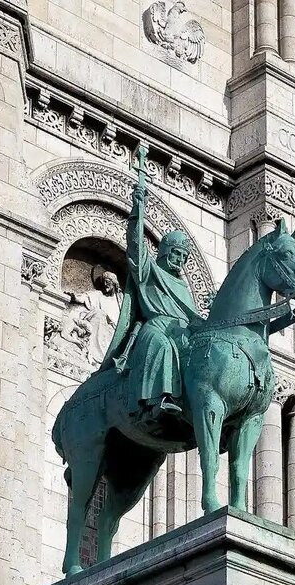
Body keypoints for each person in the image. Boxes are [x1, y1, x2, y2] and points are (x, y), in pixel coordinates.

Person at [99, 149, 202, 422]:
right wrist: (138, 208)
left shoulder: (183, 287)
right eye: (176, 254)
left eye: (184, 256)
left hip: (181, 332)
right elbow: (135, 246)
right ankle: (159, 400)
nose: (180, 260)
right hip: (155, 328)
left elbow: (191, 318)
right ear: (166, 252)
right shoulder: (149, 271)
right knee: (163, 345)